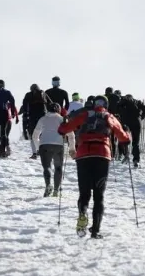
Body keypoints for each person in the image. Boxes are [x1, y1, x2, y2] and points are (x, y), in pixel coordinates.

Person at [58, 95, 130, 239]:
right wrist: (127, 133)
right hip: (102, 155)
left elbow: (63, 130)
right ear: (106, 105)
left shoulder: (85, 114)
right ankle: (95, 230)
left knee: (84, 193)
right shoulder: (109, 116)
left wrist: (64, 123)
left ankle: (82, 214)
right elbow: (123, 138)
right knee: (99, 195)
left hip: (83, 155)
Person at [32, 103, 76, 197]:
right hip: (58, 145)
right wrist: (72, 149)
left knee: (47, 167)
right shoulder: (62, 119)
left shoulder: (43, 119)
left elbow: (35, 135)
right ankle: (56, 190)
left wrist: (37, 148)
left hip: (44, 144)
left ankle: (48, 185)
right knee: (58, 167)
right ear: (59, 110)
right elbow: (71, 135)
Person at [20, 84, 52, 158]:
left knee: (33, 135)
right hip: (43, 116)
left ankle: (34, 153)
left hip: (32, 117)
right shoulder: (43, 93)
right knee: (43, 134)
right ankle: (44, 151)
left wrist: (24, 114)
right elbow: (50, 103)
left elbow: (24, 106)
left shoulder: (28, 95)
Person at [118, 94, 145, 167]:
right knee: (135, 142)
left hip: (126, 123)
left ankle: (126, 155)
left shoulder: (122, 102)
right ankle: (136, 160)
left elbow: (117, 110)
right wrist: (141, 117)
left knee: (124, 140)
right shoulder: (137, 102)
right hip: (136, 123)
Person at [104, 87, 122, 159]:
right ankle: (115, 154)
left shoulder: (104, 97)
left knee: (109, 137)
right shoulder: (117, 97)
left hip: (106, 118)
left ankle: (110, 154)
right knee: (116, 136)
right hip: (115, 118)